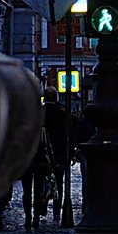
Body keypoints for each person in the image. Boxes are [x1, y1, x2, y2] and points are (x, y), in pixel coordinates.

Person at [41, 87, 70, 223]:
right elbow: (64, 135)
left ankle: (42, 205)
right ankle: (57, 210)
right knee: (59, 183)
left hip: (41, 153)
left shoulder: (40, 112)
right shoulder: (61, 112)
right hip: (58, 153)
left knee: (41, 181)